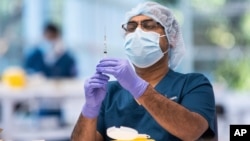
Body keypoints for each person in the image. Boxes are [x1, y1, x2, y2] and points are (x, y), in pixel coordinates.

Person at [71, 2, 216, 141]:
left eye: (149, 26)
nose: (138, 33)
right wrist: (89, 109)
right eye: (131, 27)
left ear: (171, 38)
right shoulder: (109, 92)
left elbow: (191, 131)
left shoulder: (193, 84)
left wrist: (138, 88)